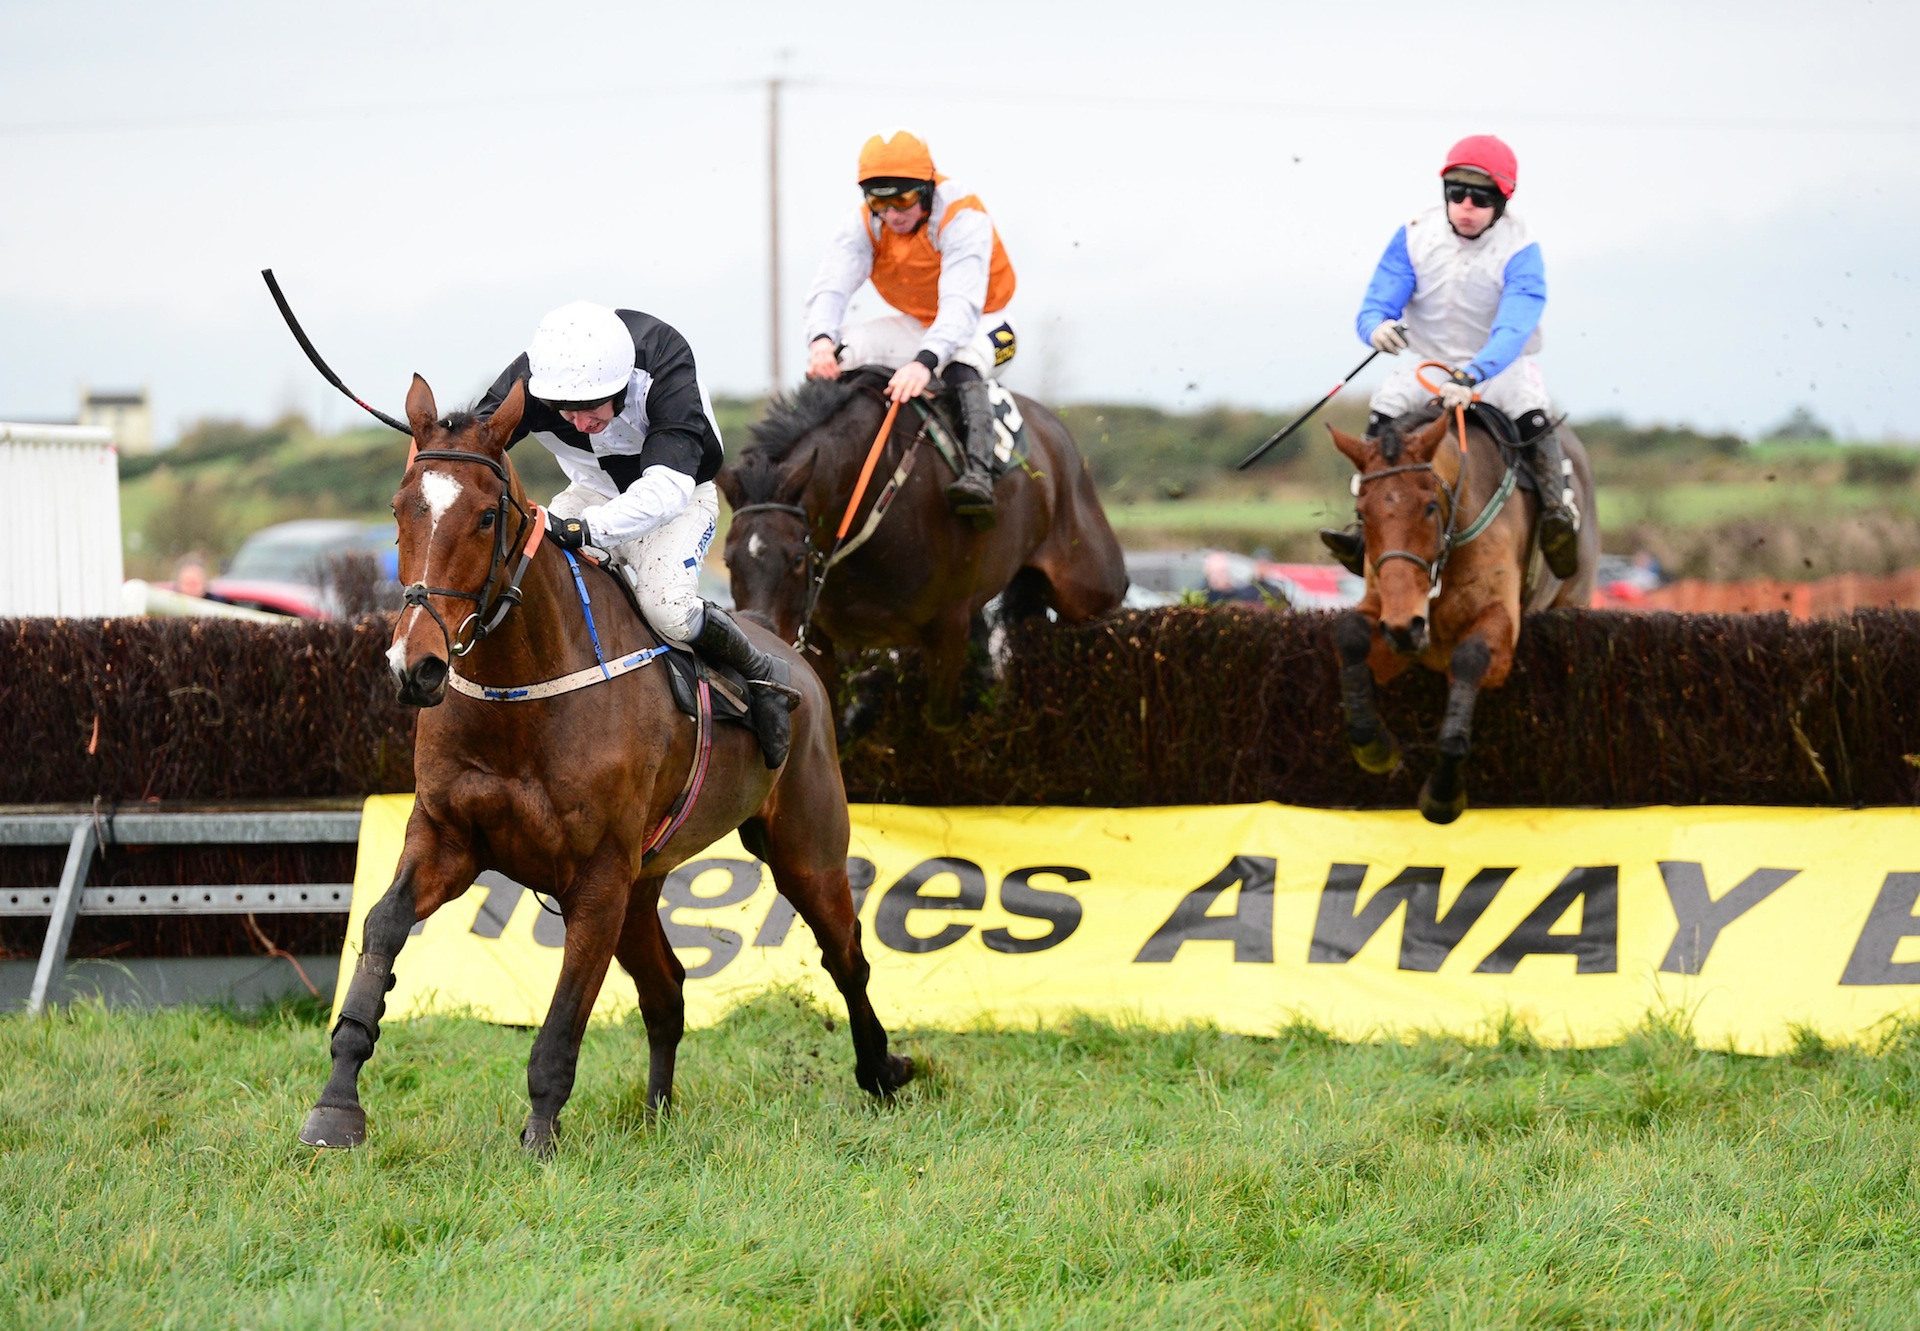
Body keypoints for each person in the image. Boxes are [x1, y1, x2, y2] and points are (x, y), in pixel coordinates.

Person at [477, 301, 796, 767]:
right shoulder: (535, 379)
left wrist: (585, 530)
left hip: (679, 500)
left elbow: (666, 488)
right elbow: (466, 441)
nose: (581, 423)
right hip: (590, 495)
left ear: (621, 384)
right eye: (566, 411)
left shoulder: (665, 362)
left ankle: (763, 675)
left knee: (667, 609)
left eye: (590, 409)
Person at [1320, 134, 1582, 580]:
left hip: (1499, 368)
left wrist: (1473, 373)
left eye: (1480, 199)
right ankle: (1366, 529)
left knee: (1532, 412)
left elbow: (1513, 328)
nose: (1465, 205)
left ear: (1502, 202)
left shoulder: (1522, 249)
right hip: (1429, 365)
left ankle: (1557, 515)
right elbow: (1376, 304)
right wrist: (1377, 329)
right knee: (1385, 407)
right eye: (1455, 193)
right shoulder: (1414, 235)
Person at [803, 130, 1018, 526]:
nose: (892, 214)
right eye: (878, 201)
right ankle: (824, 464)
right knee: (839, 354)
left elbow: (959, 305)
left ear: (927, 189)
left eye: (902, 199)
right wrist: (820, 341)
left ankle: (978, 474)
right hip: (918, 324)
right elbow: (831, 287)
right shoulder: (864, 223)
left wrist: (923, 362)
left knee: (957, 365)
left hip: (985, 322)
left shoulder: (962, 214)